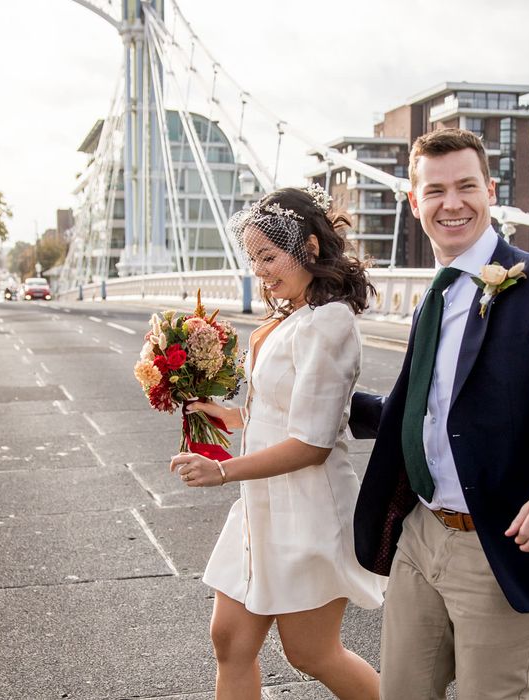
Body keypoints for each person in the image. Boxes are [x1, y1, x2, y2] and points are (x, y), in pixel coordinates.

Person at [350, 128, 529, 700]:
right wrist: (315, 404)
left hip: (500, 544)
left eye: (466, 186)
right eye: (435, 191)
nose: (452, 203)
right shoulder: (436, 294)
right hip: (422, 534)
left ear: (490, 190)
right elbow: (428, 416)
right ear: (414, 201)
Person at [169, 185, 385, 700]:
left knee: (311, 653)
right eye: (253, 259)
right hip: (263, 502)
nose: (260, 270)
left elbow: (311, 443)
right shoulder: (287, 316)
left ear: (310, 246)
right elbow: (275, 410)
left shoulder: (329, 323)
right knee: (230, 641)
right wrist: (224, 414)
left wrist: (221, 471)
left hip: (307, 505)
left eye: (269, 256)